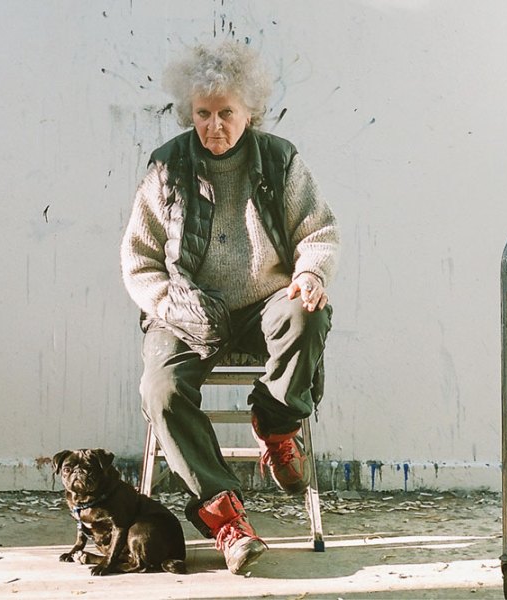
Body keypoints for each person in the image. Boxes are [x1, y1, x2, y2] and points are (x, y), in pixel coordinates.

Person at [120, 40, 340, 575]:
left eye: (226, 114)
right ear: (188, 112)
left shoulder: (279, 159)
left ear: (249, 112)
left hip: (263, 302)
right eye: (203, 114)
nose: (214, 126)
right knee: (161, 390)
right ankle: (226, 519)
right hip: (186, 306)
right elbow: (139, 258)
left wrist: (310, 273)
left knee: (307, 312)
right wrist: (168, 304)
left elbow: (318, 231)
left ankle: (277, 423)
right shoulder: (166, 166)